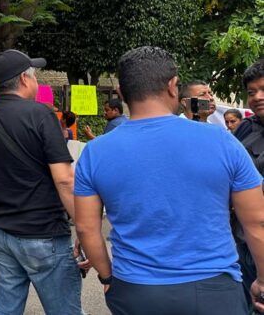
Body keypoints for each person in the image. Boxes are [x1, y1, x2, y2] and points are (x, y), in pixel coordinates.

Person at [73, 47, 264, 315]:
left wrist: (107, 278)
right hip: (214, 290)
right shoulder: (221, 141)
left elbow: (85, 228)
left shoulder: (95, 152)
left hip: (136, 290)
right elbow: (256, 222)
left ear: (122, 93)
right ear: (173, 87)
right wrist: (262, 281)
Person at [0, 49, 87, 315]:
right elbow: (64, 180)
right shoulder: (41, 115)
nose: (37, 81)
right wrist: (85, 231)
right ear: (23, 79)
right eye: (35, 76)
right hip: (43, 232)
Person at [232, 58, 264, 310]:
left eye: (263, 89)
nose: (257, 97)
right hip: (243, 241)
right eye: (251, 92)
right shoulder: (245, 129)